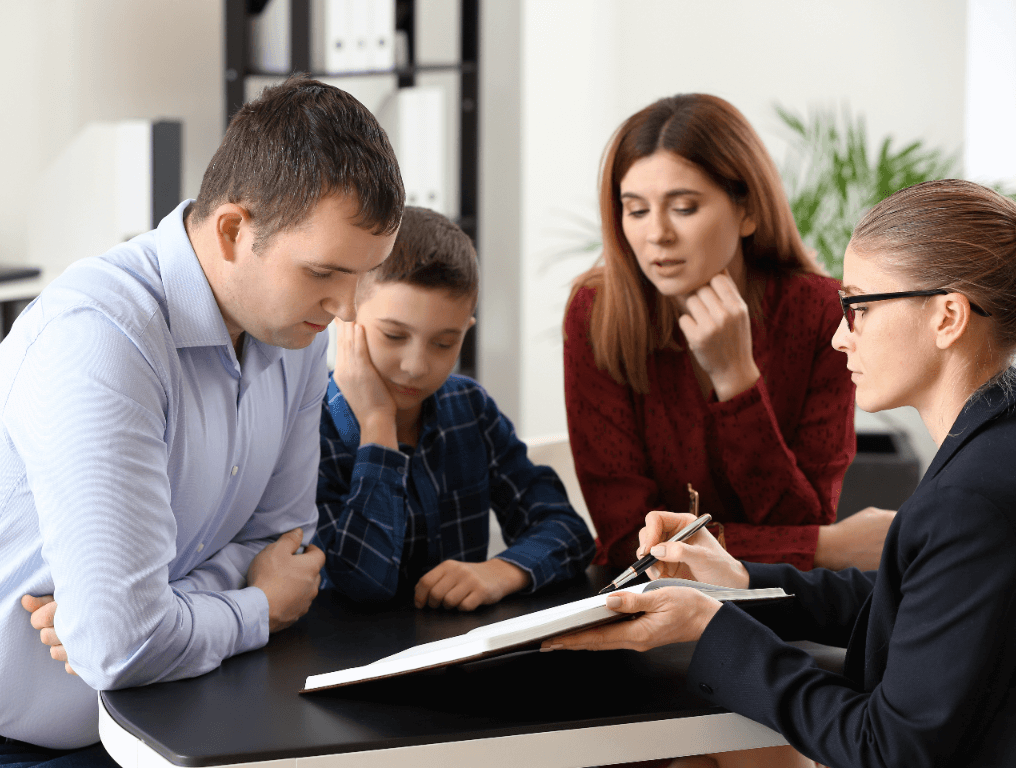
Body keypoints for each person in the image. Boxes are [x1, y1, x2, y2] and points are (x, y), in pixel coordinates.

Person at [545, 179, 1016, 768]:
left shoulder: (970, 501)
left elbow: (888, 749)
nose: (838, 335)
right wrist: (739, 581)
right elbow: (913, 604)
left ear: (947, 316)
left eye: (859, 308)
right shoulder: (1000, 444)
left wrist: (711, 627)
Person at [0, 76, 403, 763]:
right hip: (34, 747)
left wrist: (158, 607)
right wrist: (256, 606)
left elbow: (281, 544)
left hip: (184, 714)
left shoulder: (294, 333)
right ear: (232, 230)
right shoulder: (100, 338)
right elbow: (124, 644)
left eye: (363, 276)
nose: (347, 308)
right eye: (324, 273)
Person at [563, 93, 894, 574]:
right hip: (652, 608)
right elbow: (628, 544)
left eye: (683, 207)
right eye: (636, 211)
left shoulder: (820, 311)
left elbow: (801, 519)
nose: (657, 234)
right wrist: (827, 548)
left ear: (747, 212)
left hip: (778, 606)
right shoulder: (596, 313)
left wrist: (736, 378)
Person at [316, 206, 595, 610]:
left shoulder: (469, 407)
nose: (415, 366)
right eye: (394, 335)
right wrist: (378, 427)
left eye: (444, 343)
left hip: (461, 657)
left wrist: (500, 572)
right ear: (347, 318)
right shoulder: (307, 425)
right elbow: (362, 585)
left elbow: (567, 530)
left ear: (466, 331)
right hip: (344, 665)